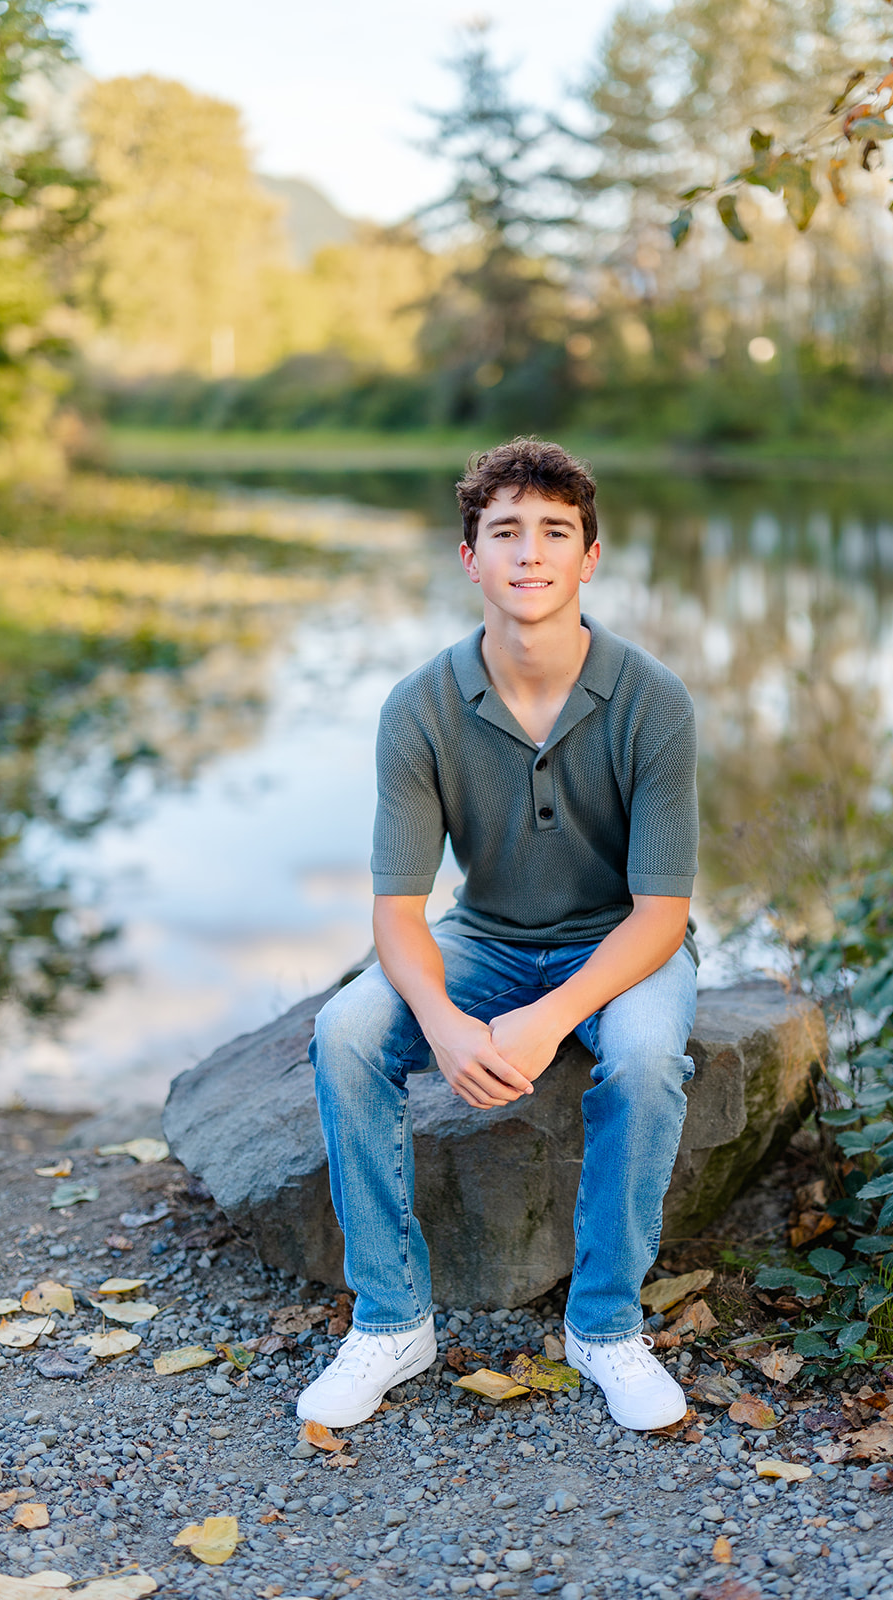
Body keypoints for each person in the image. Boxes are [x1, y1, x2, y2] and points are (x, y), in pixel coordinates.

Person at [298, 437, 699, 1434]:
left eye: (553, 533)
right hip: (481, 938)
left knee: (646, 1056)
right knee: (347, 1034)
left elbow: (661, 913)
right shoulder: (419, 706)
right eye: (504, 532)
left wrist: (544, 1021)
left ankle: (603, 1329)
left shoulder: (652, 699)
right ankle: (392, 1320)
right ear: (469, 556)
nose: (529, 553)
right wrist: (440, 1018)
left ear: (588, 559)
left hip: (619, 944)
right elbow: (396, 912)